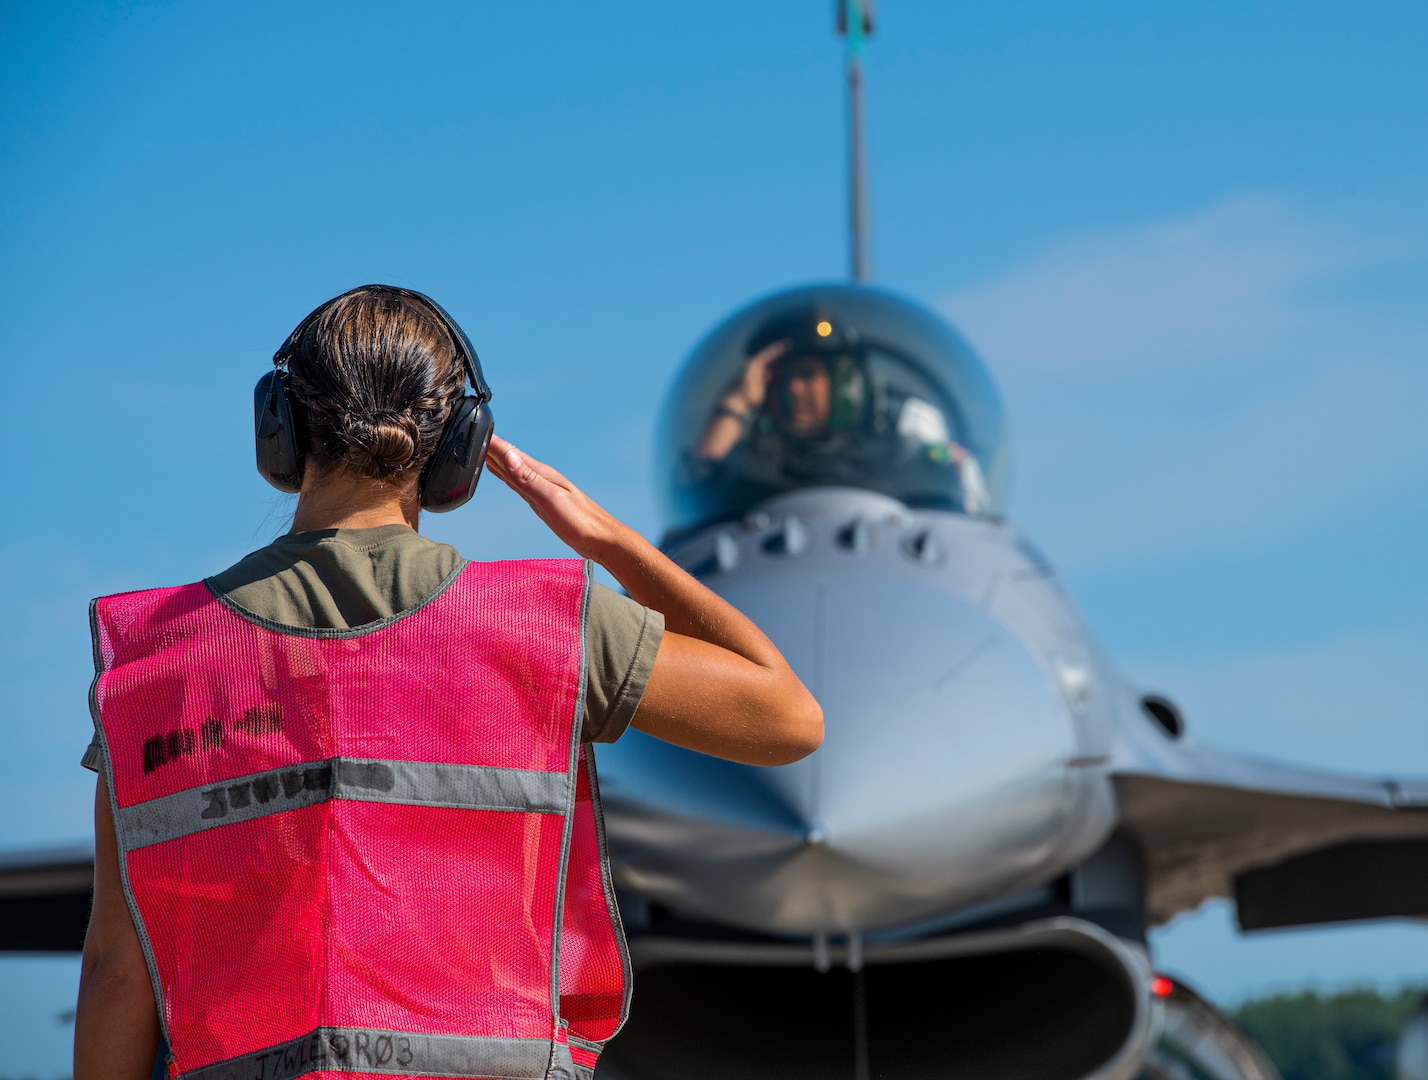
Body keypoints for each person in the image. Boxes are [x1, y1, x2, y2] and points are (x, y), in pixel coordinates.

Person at [74, 285, 823, 1080]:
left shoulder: (151, 661)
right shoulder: (548, 625)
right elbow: (787, 719)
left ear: (280, 431)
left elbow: (117, 971)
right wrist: (607, 541)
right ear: (461, 450)